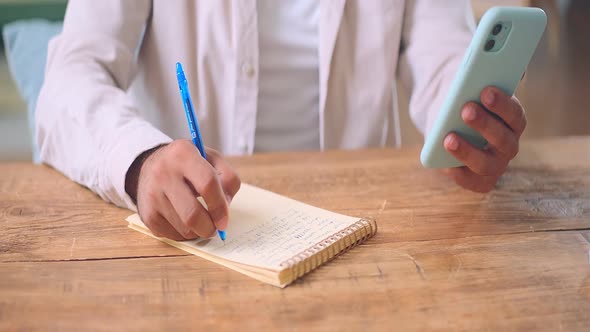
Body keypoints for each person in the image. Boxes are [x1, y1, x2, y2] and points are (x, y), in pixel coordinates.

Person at [36, 1, 527, 241]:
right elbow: (69, 79)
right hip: (194, 236)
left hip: (361, 228)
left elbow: (444, 61)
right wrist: (140, 159)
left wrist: (468, 126)